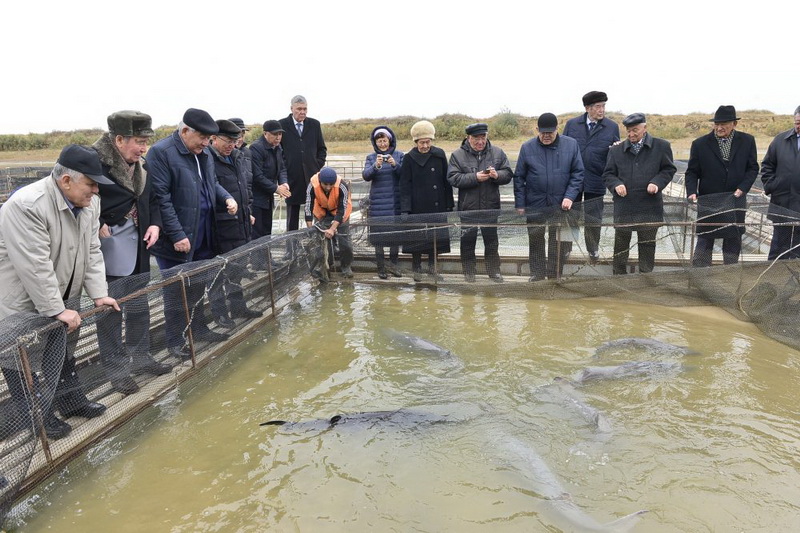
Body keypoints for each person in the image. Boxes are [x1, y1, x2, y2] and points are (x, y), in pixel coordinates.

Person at [0, 144, 118, 439]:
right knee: (21, 356)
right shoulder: (27, 205)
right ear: (66, 180)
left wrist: (99, 292)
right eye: (90, 184)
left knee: (64, 349)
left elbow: (92, 250)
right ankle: (36, 418)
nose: (95, 191)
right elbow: (34, 265)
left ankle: (71, 400)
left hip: (66, 290)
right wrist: (55, 308)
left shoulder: (89, 204)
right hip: (24, 297)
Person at [148, 108, 238, 359]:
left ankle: (198, 329)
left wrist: (226, 197)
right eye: (202, 138)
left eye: (209, 139)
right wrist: (176, 234)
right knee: (176, 293)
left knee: (198, 286)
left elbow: (212, 184)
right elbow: (161, 198)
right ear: (185, 131)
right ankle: (174, 341)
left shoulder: (204, 153)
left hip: (204, 233)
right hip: (177, 239)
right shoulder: (162, 152)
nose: (206, 143)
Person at [92, 111, 171, 396]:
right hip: (108, 250)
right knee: (110, 312)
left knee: (139, 305)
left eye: (146, 142)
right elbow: (76, 197)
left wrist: (155, 225)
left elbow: (154, 200)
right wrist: (96, 221)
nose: (143, 148)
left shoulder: (141, 165)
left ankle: (141, 358)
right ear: (119, 139)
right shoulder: (93, 163)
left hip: (139, 248)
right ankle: (116, 370)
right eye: (138, 141)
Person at [603, 113, 676, 275]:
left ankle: (646, 279)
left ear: (645, 128)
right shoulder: (616, 150)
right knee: (621, 246)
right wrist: (616, 184)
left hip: (650, 207)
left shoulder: (662, 146)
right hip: (624, 207)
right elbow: (608, 175)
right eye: (628, 131)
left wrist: (657, 182)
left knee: (647, 245)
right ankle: (619, 277)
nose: (631, 134)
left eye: (635, 130)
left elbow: (669, 169)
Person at [685, 105, 759, 266]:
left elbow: (753, 168)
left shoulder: (747, 141)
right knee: (704, 241)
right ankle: (701, 278)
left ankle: (730, 275)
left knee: (732, 241)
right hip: (709, 202)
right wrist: (691, 192)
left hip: (735, 200)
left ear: (734, 124)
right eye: (716, 124)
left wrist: (743, 188)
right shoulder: (699, 144)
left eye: (723, 124)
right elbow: (691, 172)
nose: (719, 127)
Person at [514, 113, 584, 281]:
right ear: (537, 130)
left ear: (557, 129)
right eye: (543, 132)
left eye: (550, 133)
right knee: (536, 239)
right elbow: (519, 178)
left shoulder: (571, 145)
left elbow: (578, 174)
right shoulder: (527, 147)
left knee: (558, 241)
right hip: (535, 203)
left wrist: (569, 196)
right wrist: (520, 204)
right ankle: (537, 274)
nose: (546, 136)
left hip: (561, 204)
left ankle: (554, 274)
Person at [209, 119, 261, 325]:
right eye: (228, 141)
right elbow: (212, 188)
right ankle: (220, 313)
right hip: (221, 225)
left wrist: (246, 211)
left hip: (240, 222)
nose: (232, 145)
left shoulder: (237, 157)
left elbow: (243, 189)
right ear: (214, 138)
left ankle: (239, 308)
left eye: (235, 140)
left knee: (237, 269)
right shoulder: (208, 160)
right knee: (218, 273)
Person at [447, 122, 513, 282]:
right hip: (467, 208)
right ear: (468, 138)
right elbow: (452, 178)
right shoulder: (457, 155)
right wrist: (475, 177)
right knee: (467, 242)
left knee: (491, 242)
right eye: (476, 138)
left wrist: (497, 175)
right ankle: (469, 272)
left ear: (486, 136)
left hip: (490, 207)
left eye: (483, 137)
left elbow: (508, 173)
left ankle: (494, 271)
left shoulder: (497, 152)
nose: (480, 141)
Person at [562, 91, 620, 263]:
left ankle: (593, 249)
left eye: (603, 106)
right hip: (573, 179)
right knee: (570, 215)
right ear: (587, 108)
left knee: (594, 218)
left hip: (597, 178)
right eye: (598, 106)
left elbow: (615, 155)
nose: (602, 110)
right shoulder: (572, 125)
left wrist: (615, 149)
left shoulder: (612, 127)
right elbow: (563, 149)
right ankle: (566, 248)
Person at [399, 120, 454, 282]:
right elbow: (405, 185)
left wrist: (449, 204)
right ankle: (417, 269)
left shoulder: (439, 154)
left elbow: (446, 181)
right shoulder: (408, 158)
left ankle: (432, 269)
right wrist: (405, 209)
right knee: (416, 238)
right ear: (416, 142)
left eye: (428, 142)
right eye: (422, 142)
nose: (425, 146)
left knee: (434, 238)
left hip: (437, 205)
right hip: (417, 206)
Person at [279, 96, 327, 232]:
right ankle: (291, 249)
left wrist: (316, 166)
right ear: (291, 109)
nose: (302, 112)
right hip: (291, 178)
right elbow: (278, 151)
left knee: (315, 212)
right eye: (299, 109)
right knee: (292, 217)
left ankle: (316, 244)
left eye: (305, 109)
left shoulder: (314, 125)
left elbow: (322, 149)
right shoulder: (282, 125)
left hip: (312, 178)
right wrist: (284, 169)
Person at [362, 126, 404, 279]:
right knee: (378, 237)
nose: (382, 144)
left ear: (390, 140)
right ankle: (381, 268)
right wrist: (376, 166)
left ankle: (394, 266)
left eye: (384, 141)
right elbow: (366, 175)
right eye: (379, 141)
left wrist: (395, 165)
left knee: (395, 236)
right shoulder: (371, 158)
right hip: (378, 203)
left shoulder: (399, 156)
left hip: (395, 201)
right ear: (375, 143)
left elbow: (404, 175)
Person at [760, 105, 800, 260]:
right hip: (781, 203)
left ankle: (795, 282)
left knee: (797, 250)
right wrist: (772, 186)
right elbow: (767, 166)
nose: (798, 126)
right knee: (778, 247)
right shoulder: (780, 140)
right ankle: (773, 281)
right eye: (797, 122)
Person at [305, 167, 353, 280]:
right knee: (322, 243)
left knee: (345, 243)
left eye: (331, 184)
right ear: (320, 181)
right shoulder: (312, 185)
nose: (328, 187)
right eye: (325, 184)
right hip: (321, 212)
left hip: (340, 212)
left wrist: (332, 229)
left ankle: (346, 267)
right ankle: (325, 266)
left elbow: (342, 210)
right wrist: (310, 228)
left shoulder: (342, 186)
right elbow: (308, 207)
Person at [250, 120, 291, 239]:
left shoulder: (277, 147)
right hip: (256, 198)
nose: (278, 137)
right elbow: (257, 176)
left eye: (280, 134)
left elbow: (282, 168)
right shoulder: (256, 148)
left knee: (268, 230)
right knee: (257, 233)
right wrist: (276, 188)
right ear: (265, 133)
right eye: (275, 134)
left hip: (268, 197)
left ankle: (266, 257)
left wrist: (284, 183)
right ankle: (258, 257)